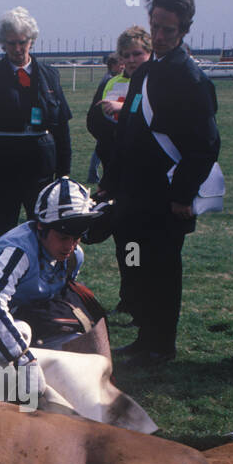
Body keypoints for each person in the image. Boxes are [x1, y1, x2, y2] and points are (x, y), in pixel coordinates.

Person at [108, 0, 220, 363]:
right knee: (137, 266)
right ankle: (145, 336)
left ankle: (161, 344)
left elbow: (205, 144)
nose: (158, 36)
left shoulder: (190, 78)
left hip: (166, 194)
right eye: (154, 26)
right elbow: (128, 129)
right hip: (135, 192)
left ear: (183, 30)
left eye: (167, 30)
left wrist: (183, 196)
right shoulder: (145, 72)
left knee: (163, 270)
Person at [0, 177, 109, 397]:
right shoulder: (18, 250)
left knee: (76, 344)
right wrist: (24, 360)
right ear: (41, 226)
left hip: (19, 320)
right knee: (22, 333)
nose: (70, 246)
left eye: (76, 238)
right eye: (63, 237)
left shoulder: (73, 256)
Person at [0, 7, 73, 241]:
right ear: (3, 44)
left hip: (40, 171)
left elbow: (61, 126)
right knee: (2, 235)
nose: (17, 49)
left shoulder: (50, 76)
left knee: (44, 234)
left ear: (31, 41)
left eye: (22, 42)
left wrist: (64, 172)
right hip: (2, 171)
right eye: (11, 43)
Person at [86, 27, 148, 317]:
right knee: (124, 239)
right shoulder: (113, 83)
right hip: (117, 167)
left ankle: (143, 301)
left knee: (142, 241)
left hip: (145, 175)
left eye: (138, 53)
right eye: (126, 55)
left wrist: (120, 114)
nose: (132, 60)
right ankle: (130, 296)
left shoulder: (152, 84)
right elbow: (93, 121)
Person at [86, 53, 122, 183]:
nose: (123, 66)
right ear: (113, 65)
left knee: (101, 149)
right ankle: (95, 175)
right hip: (102, 123)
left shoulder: (108, 78)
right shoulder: (110, 81)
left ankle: (94, 175)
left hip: (99, 122)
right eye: (120, 64)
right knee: (103, 149)